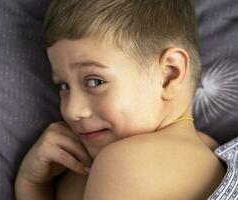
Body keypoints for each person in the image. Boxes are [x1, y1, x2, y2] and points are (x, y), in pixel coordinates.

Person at [15, 0, 226, 199]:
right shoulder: (208, 150)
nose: (71, 110)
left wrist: (31, 187)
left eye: (95, 81)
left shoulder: (126, 165)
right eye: (63, 86)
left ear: (169, 75)